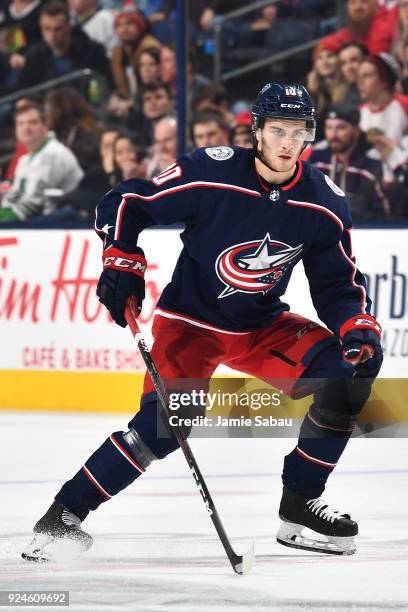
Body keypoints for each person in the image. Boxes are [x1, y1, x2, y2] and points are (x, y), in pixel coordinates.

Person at [22, 83, 383, 562]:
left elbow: (337, 284)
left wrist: (356, 325)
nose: (287, 143)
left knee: (347, 377)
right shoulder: (211, 172)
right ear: (255, 130)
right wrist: (121, 261)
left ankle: (299, 502)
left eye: (298, 132)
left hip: (260, 325)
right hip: (190, 323)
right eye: (277, 130)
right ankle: (64, 516)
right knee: (166, 424)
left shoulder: (323, 200)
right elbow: (128, 202)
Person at [0, 103, 83, 222]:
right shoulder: (25, 159)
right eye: (20, 123)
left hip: (61, 223)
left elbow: (33, 205)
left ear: (45, 125)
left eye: (33, 122)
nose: (26, 128)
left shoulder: (53, 154)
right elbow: (16, 195)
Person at [308, 103, 390, 219]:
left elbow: (383, 213)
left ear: (356, 131)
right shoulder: (317, 158)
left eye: (341, 128)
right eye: (329, 128)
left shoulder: (370, 164)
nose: (333, 135)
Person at [16, 1, 113, 93]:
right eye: (46, 28)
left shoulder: (93, 52)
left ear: (69, 28)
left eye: (57, 29)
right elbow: (23, 92)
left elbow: (104, 87)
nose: (51, 35)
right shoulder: (34, 57)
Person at [320, 0, 396, 55]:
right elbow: (323, 45)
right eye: (353, 2)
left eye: (364, 2)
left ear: (374, 6)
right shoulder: (349, 32)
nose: (358, 7)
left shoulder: (386, 25)